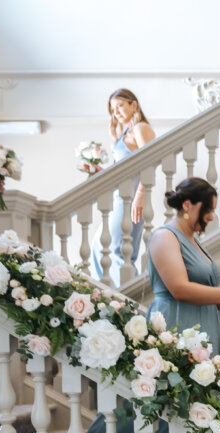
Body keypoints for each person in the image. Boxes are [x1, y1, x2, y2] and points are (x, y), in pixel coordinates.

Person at [59, 177, 220, 433]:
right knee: (170, 404)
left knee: (200, 407)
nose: (211, 216)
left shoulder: (195, 242)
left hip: (205, 331)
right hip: (177, 327)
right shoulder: (164, 237)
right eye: (208, 209)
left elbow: (210, 296)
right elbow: (180, 288)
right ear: (188, 205)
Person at [90, 88, 154, 286]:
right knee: (99, 247)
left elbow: (151, 161)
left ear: (133, 105)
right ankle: (113, 293)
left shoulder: (140, 128)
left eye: (119, 106)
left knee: (117, 251)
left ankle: (127, 298)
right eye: (112, 109)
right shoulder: (124, 133)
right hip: (120, 199)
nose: (115, 112)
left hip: (131, 199)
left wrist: (140, 196)